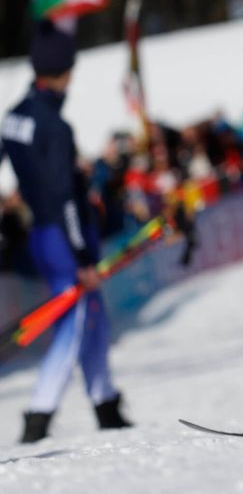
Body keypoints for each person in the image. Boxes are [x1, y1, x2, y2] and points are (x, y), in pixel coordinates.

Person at [1, 26, 131, 443]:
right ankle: (38, 415)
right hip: (61, 234)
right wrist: (83, 258)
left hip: (41, 229)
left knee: (93, 317)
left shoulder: (15, 113)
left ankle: (105, 402)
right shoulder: (55, 126)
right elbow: (64, 199)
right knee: (73, 320)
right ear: (65, 71)